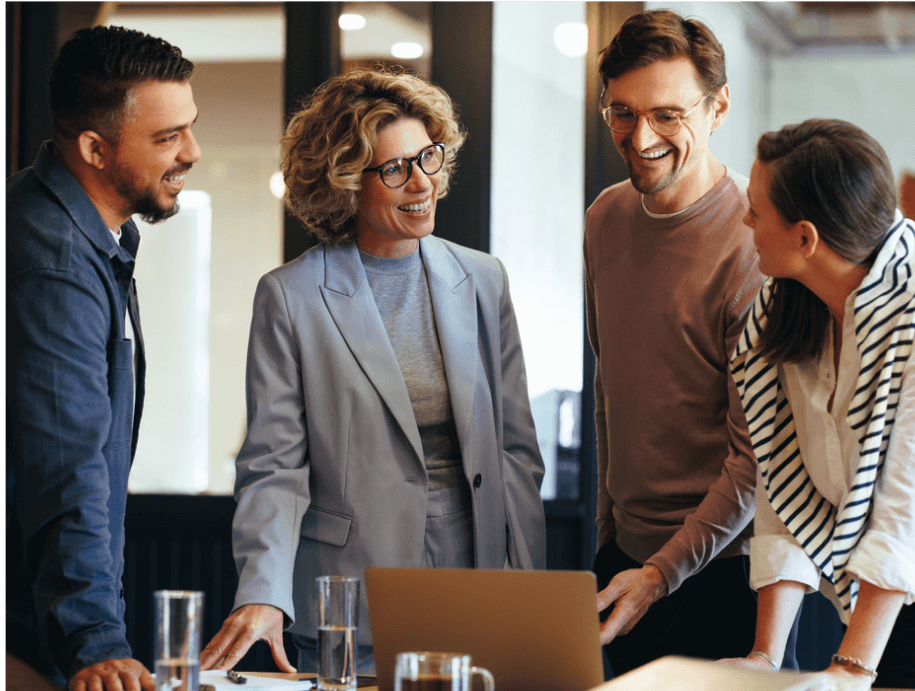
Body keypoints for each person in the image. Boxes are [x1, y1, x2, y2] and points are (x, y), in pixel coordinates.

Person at [200, 67, 546, 676]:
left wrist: (527, 591)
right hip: (350, 590)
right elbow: (273, 466)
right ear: (345, 184)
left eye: (428, 158)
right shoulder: (291, 296)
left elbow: (517, 453)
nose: (422, 183)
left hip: (478, 579)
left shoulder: (483, 279)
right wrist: (263, 590)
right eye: (394, 169)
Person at [726, 118, 915, 689]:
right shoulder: (789, 305)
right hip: (890, 586)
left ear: (806, 237)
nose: (744, 221)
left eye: (755, 209)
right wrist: (764, 655)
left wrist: (850, 668)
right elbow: (784, 479)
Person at [585, 10, 793, 675]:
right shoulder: (604, 217)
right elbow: (609, 388)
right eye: (621, 112)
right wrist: (609, 542)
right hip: (621, 564)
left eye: (666, 114)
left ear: (718, 107)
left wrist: (658, 572)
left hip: (720, 571)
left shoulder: (752, 244)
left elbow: (753, 455)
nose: (640, 136)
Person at [6, 26, 200, 691]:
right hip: (27, 633)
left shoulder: (85, 236)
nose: (192, 152)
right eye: (167, 137)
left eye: (189, 128)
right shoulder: (55, 260)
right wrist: (94, 641)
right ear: (93, 147)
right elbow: (67, 463)